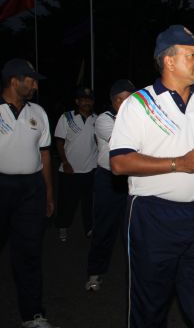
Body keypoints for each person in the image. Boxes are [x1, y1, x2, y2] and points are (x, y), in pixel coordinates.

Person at [109, 25, 194, 327]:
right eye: (192, 54)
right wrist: (180, 163)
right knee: (149, 308)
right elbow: (119, 162)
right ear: (169, 61)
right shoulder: (138, 104)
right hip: (153, 216)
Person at [0, 59, 59, 328]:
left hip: (31, 190)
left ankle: (33, 314)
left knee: (29, 253)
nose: (35, 86)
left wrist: (48, 193)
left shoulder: (38, 112)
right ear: (14, 81)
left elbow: (44, 154)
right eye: (31, 80)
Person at [85, 79, 136, 292]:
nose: (125, 103)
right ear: (114, 101)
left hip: (132, 179)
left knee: (134, 229)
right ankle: (95, 273)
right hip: (108, 180)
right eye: (121, 99)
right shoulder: (104, 120)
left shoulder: (138, 119)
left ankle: (136, 273)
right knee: (104, 227)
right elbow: (126, 144)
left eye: (130, 99)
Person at [54, 86, 98, 242]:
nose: (87, 102)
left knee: (89, 203)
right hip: (69, 170)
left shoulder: (97, 119)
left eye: (89, 99)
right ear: (77, 101)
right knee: (67, 202)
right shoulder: (66, 117)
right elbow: (59, 142)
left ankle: (89, 228)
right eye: (83, 99)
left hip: (90, 170)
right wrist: (65, 162)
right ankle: (63, 226)